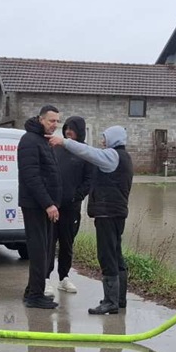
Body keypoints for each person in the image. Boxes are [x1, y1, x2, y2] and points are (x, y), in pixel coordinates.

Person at [49, 125, 132, 315]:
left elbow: (87, 152)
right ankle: (119, 299)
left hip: (107, 214)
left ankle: (110, 302)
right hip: (117, 213)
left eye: (105, 138)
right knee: (116, 254)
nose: (103, 141)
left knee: (107, 255)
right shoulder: (124, 157)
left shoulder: (112, 156)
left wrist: (64, 142)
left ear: (114, 139)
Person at [17, 105, 62, 309]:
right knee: (38, 251)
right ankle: (35, 296)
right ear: (41, 119)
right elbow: (32, 177)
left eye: (57, 121)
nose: (55, 125)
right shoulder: (29, 141)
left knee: (44, 249)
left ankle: (32, 290)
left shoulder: (42, 141)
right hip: (35, 206)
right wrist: (48, 204)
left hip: (44, 206)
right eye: (51, 121)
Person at [51, 116, 94, 294]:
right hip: (52, 206)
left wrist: (76, 197)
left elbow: (89, 180)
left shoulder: (85, 153)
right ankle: (45, 278)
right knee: (48, 243)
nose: (68, 131)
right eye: (66, 128)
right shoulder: (55, 148)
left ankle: (64, 277)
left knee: (67, 244)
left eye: (73, 128)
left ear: (80, 131)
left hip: (71, 208)